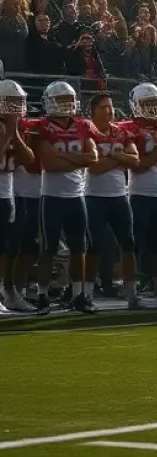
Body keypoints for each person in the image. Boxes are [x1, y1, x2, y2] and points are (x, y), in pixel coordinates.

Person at [28, 80, 98, 313]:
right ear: (49, 102)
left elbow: (93, 158)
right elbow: (50, 163)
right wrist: (76, 158)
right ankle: (42, 296)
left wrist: (63, 155)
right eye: (59, 100)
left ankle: (78, 295)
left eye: (68, 99)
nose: (65, 104)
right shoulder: (42, 126)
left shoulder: (83, 125)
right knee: (48, 249)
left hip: (76, 196)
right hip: (52, 196)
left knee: (80, 248)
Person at [123, 82, 157, 307]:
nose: (153, 108)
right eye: (148, 103)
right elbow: (140, 164)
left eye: (156, 103)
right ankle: (131, 291)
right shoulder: (130, 129)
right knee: (133, 244)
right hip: (138, 194)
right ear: (136, 105)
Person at [84, 93, 140, 309]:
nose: (109, 111)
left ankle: (132, 294)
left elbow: (135, 160)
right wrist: (119, 157)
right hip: (94, 196)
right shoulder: (88, 131)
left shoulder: (121, 132)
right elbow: (94, 166)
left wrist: (114, 157)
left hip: (118, 196)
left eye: (111, 107)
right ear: (93, 110)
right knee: (94, 247)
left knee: (128, 244)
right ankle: (87, 294)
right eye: (104, 107)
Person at [0, 79, 35, 312]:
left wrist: (14, 132)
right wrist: (9, 132)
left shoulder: (17, 127)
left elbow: (29, 158)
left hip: (8, 193)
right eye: (11, 102)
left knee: (8, 246)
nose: (16, 106)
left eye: (17, 102)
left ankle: (7, 291)